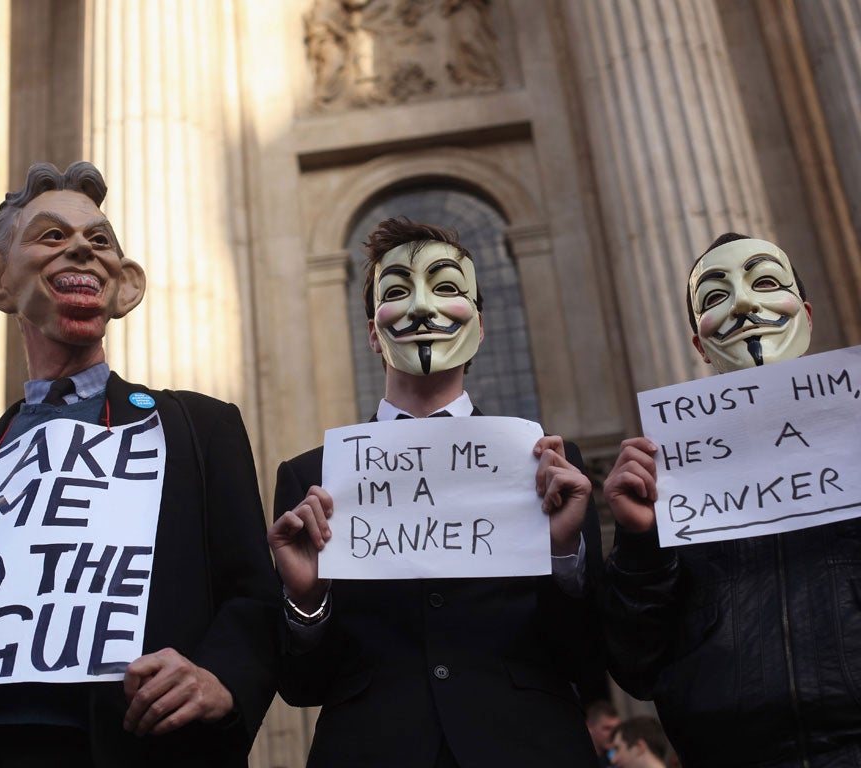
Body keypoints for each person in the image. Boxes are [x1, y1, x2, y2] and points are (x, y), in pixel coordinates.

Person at [0, 162, 279, 767]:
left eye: (100, 241)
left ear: (125, 284)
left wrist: (221, 678)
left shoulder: (198, 431)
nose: (81, 249)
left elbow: (253, 596)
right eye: (51, 235)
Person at [268, 217, 603, 767]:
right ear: (374, 332)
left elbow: (589, 658)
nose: (422, 308)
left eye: (446, 288)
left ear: (479, 325)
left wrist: (564, 554)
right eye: (397, 293)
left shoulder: (548, 465)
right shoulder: (311, 478)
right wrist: (308, 603)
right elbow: (302, 685)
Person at [602, 233, 861, 766]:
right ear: (699, 344)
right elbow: (636, 665)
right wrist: (640, 541)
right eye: (715, 298)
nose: (743, 304)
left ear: (806, 314)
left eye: (765, 283)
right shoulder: (670, 480)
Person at [586, 700, 620, 767]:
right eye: (607, 728)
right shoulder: (577, 759)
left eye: (616, 729)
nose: (614, 734)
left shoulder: (618, 759)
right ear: (589, 726)